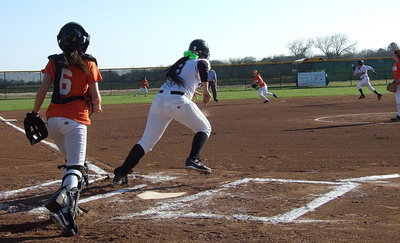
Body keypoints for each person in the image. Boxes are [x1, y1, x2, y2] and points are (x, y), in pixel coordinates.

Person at [31, 22, 102, 236]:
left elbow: (43, 89)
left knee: (71, 163)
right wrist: (96, 106)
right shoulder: (89, 63)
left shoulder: (53, 62)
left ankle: (71, 205)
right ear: (84, 42)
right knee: (76, 168)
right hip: (76, 120)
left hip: (53, 119)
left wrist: (34, 112)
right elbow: (96, 97)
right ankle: (62, 204)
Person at [113, 39, 212, 185]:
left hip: (159, 101)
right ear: (203, 53)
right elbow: (203, 66)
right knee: (204, 128)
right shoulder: (201, 61)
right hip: (177, 101)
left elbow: (183, 80)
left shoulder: (182, 62)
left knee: (146, 142)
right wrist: (205, 91)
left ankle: (121, 172)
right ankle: (193, 159)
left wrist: (193, 91)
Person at [390, 50, 400, 122]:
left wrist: (397, 81)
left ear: (397, 55)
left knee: (399, 101)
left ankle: (399, 116)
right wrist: (394, 81)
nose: (392, 55)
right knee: (398, 101)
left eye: (394, 54)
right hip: (397, 85)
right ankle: (399, 115)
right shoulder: (395, 64)